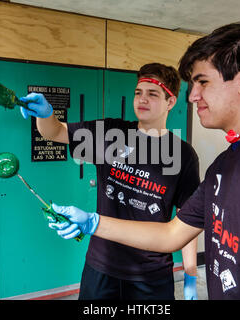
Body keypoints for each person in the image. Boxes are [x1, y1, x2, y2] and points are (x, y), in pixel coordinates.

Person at [47, 22, 240, 300]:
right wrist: (93, 222)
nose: (192, 96)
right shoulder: (227, 162)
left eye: (202, 82)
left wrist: (189, 274)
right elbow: (172, 234)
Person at [19, 63, 201, 300]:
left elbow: (188, 221)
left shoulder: (183, 155)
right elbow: (55, 132)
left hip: (151, 275)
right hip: (101, 267)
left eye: (152, 94)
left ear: (170, 102)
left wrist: (190, 275)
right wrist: (46, 115)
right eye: (138, 93)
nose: (142, 99)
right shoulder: (110, 133)